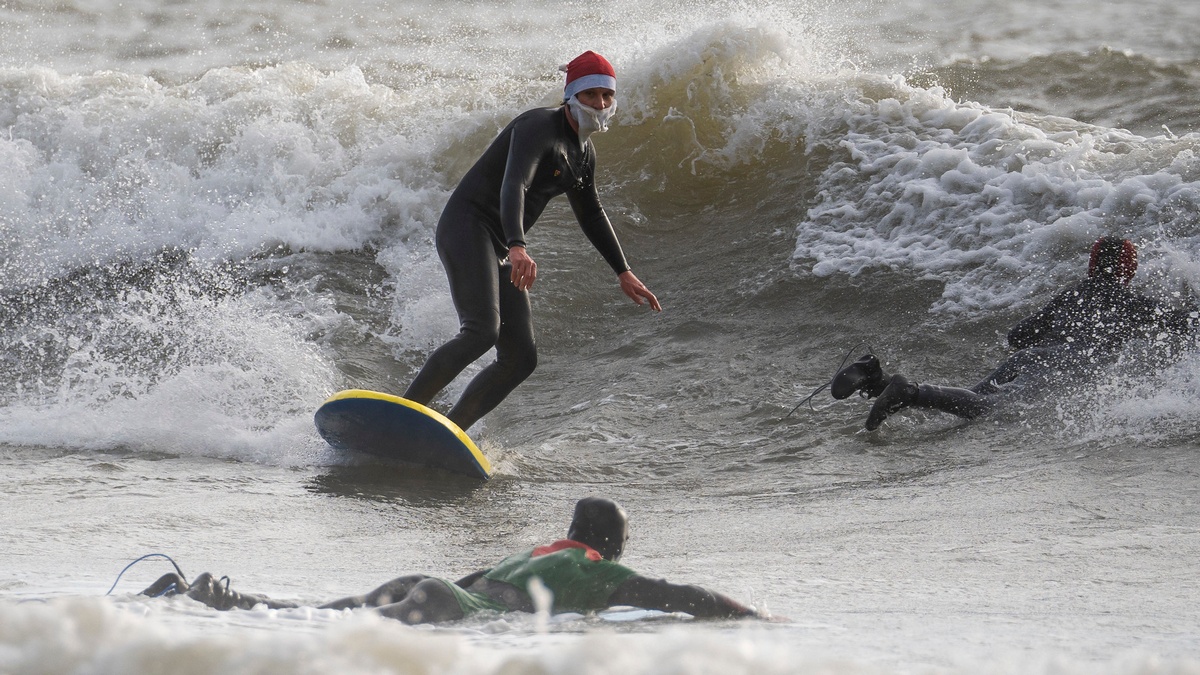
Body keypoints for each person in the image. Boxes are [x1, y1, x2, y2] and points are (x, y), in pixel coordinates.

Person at [402, 51, 661, 432]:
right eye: (591, 95)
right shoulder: (538, 125)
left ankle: (447, 431)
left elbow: (591, 213)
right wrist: (518, 244)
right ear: (572, 94)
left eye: (607, 96)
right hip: (468, 227)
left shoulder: (584, 154)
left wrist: (623, 271)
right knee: (481, 332)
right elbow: (515, 183)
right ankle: (404, 413)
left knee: (521, 358)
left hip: (502, 243)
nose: (601, 104)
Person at [140, 497, 764, 624]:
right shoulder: (598, 570)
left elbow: (476, 584)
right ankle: (219, 605)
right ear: (610, 548)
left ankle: (218, 597)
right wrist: (752, 617)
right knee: (329, 630)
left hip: (431, 584)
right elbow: (676, 595)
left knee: (317, 615)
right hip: (441, 601)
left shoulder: (534, 553)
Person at [831, 237, 1197, 430]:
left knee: (971, 398)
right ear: (1129, 269)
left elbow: (1018, 337)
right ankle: (909, 390)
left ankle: (876, 380)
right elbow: (1186, 325)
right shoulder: (1135, 304)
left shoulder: (1071, 294)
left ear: (1092, 264)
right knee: (986, 409)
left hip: (1026, 359)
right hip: (1053, 366)